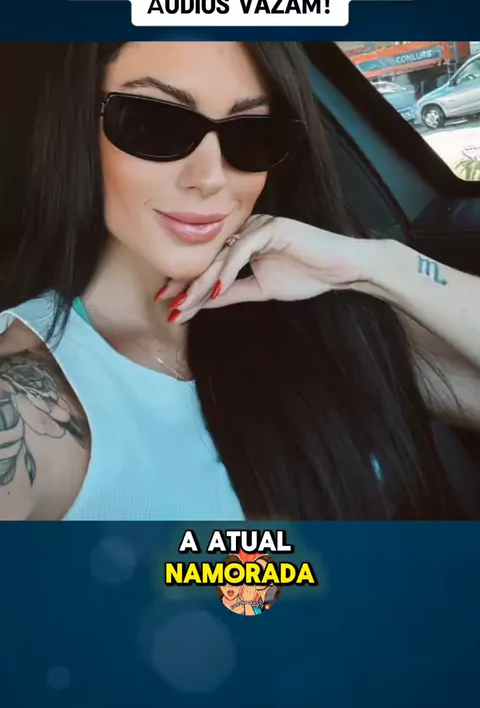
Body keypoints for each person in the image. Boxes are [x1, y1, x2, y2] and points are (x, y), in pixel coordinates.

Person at [0, 41, 480, 522]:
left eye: (251, 134)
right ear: (77, 129)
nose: (211, 178)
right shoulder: (24, 404)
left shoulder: (320, 315)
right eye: (155, 123)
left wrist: (383, 265)